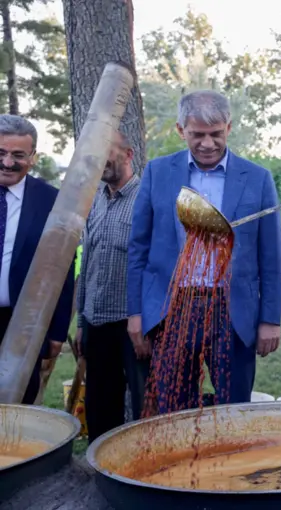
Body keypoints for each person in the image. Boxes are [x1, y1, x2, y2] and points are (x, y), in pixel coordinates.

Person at [127, 90, 281, 413]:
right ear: (180, 130)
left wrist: (269, 319)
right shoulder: (158, 173)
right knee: (173, 410)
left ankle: (233, 463)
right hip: (173, 309)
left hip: (232, 312)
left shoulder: (257, 178)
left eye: (216, 134)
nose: (208, 144)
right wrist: (136, 314)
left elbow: (270, 256)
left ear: (229, 127)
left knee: (235, 409)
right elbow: (138, 249)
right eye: (198, 134)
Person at [76, 130, 150, 442]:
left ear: (128, 154)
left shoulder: (148, 200)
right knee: (99, 405)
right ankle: (101, 472)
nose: (100, 164)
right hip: (97, 322)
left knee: (146, 405)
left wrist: (146, 320)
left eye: (106, 155)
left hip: (134, 325)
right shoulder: (95, 202)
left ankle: (149, 473)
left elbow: (156, 267)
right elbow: (88, 262)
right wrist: (82, 322)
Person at [0, 114, 74, 404]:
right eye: (1, 153)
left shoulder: (52, 201)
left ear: (32, 157)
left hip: (24, 325)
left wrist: (57, 332)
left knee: (19, 408)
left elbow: (62, 268)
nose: (7, 163)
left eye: (18, 155)